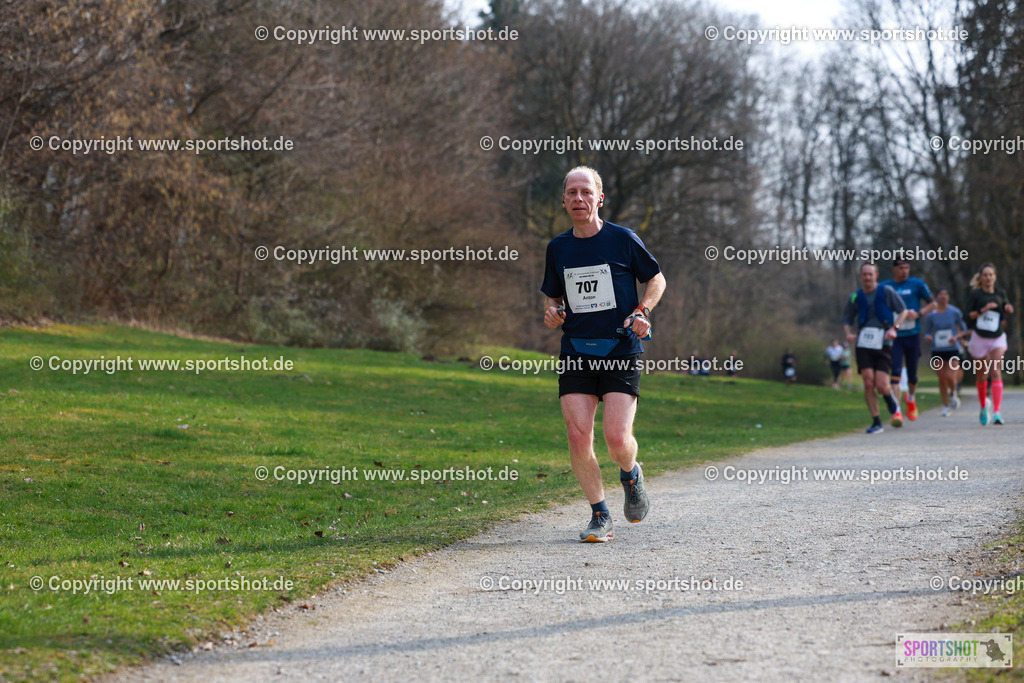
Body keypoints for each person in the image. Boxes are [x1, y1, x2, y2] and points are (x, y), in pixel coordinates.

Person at [542, 166, 667, 542]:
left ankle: (630, 474)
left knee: (616, 439)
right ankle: (600, 514)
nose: (578, 199)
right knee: (579, 436)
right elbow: (554, 296)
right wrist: (552, 312)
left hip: (621, 348)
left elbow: (656, 279)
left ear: (599, 198)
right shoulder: (558, 248)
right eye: (571, 193)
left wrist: (642, 311)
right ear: (564, 200)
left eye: (585, 192)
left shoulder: (623, 239)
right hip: (577, 350)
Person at [843, 262, 909, 433]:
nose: (867, 277)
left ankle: (892, 404)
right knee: (868, 382)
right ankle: (876, 421)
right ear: (860, 277)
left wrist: (895, 329)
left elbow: (903, 311)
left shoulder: (886, 291)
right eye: (864, 274)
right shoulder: (855, 296)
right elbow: (847, 319)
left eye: (870, 274)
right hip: (864, 343)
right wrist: (849, 333)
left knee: (882, 385)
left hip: (884, 342)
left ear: (876, 275)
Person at [879, 258, 935, 421]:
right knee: (895, 373)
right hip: (895, 336)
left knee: (912, 376)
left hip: (912, 335)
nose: (904, 271)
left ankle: (911, 398)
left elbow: (933, 304)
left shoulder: (917, 284)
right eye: (901, 268)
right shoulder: (886, 286)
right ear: (894, 269)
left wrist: (919, 313)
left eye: (907, 268)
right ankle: (897, 412)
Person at [964, 263, 1015, 425]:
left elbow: (1005, 310)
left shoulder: (1001, 294)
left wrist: (1008, 308)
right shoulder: (975, 295)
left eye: (991, 275)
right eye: (985, 275)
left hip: (997, 337)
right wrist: (983, 309)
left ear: (995, 277)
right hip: (979, 337)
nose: (988, 278)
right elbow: (967, 316)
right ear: (980, 278)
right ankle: (983, 406)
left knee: (995, 371)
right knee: (981, 375)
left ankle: (997, 412)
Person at [923, 288, 968, 416]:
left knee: (950, 376)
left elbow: (963, 330)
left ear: (948, 297)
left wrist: (956, 337)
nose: (943, 297)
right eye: (940, 294)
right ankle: (946, 405)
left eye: (945, 294)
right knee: (942, 379)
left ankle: (953, 394)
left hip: (952, 348)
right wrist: (928, 337)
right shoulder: (931, 315)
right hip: (937, 349)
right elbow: (927, 331)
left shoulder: (954, 312)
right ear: (936, 297)